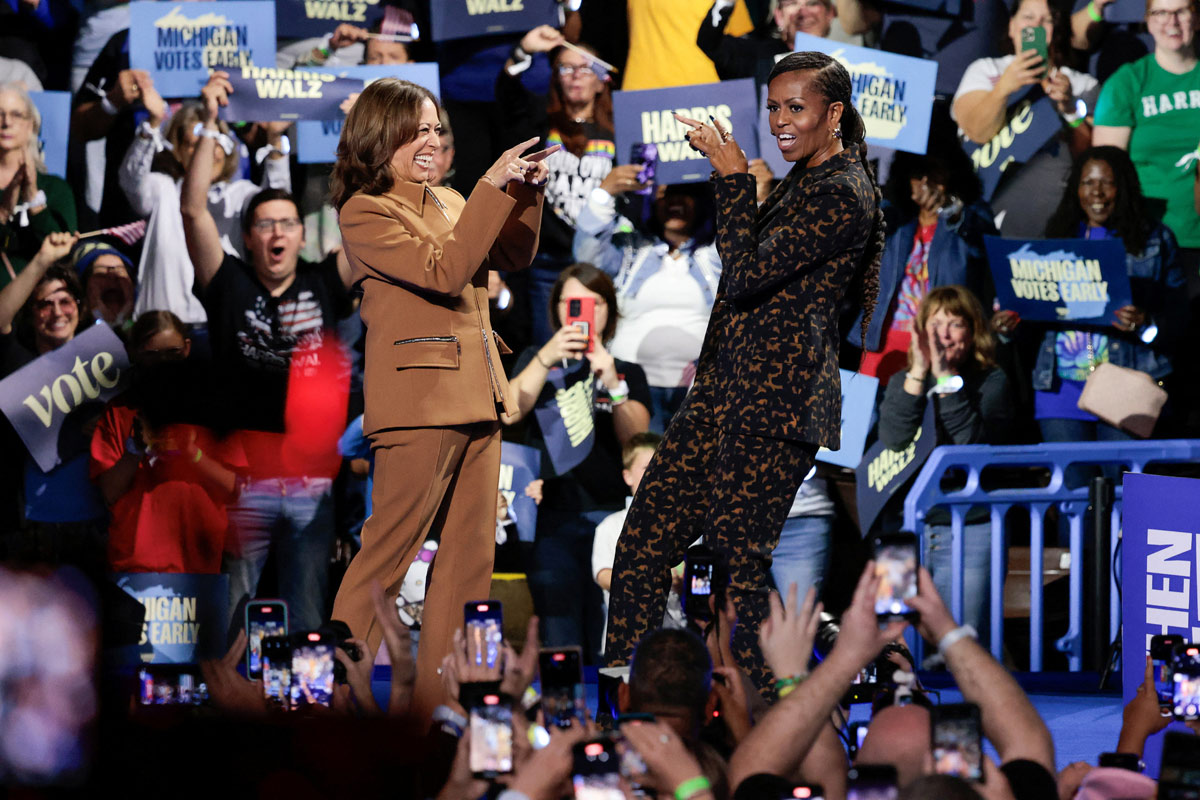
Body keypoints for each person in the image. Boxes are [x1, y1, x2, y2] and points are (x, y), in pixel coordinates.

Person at [604, 51, 885, 698]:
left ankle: (759, 715)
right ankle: (631, 695)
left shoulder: (846, 192)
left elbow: (748, 271)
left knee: (734, 568)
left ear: (833, 113)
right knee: (643, 541)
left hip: (777, 404)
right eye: (774, 107)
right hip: (721, 397)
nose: (780, 121)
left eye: (796, 108)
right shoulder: (801, 182)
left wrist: (731, 181)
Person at [328, 78, 551, 722]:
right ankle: (333, 700)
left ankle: (441, 709)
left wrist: (524, 192)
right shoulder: (365, 210)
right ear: (380, 135)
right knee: (386, 561)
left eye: (435, 128)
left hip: (481, 394)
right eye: (416, 130)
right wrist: (489, 187)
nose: (431, 141)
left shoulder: (453, 199)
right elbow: (443, 271)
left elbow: (514, 250)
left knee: (466, 568)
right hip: (421, 404)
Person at [181, 71, 353, 636]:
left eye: (286, 223)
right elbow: (192, 212)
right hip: (244, 481)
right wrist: (211, 123)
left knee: (306, 618)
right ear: (248, 235)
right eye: (264, 224)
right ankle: (232, 716)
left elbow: (367, 225)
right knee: (233, 617)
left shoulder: (326, 283)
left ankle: (305, 715)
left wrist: (355, 137)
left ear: (302, 235)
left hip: (310, 482)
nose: (276, 233)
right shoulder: (228, 284)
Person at [995, 146, 1186, 457]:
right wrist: (1008, 327)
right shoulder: (1056, 238)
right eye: (1087, 182)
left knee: (1125, 497)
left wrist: (1145, 324)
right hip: (1059, 392)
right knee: (1072, 497)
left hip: (1124, 389)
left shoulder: (1154, 240)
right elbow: (1030, 320)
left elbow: (1178, 319)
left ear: (1123, 187)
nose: (1096, 192)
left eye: (1107, 183)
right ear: (1076, 189)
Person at [502, 264, 652, 660]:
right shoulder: (538, 361)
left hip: (614, 520)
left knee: (615, 637)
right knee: (559, 638)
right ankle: (563, 717)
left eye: (593, 302)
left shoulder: (627, 372)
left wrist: (613, 383)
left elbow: (635, 439)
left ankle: (612, 719)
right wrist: (548, 356)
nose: (584, 312)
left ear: (610, 311)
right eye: (572, 303)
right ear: (557, 311)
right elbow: (511, 411)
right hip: (553, 519)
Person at [877, 285, 1013, 634]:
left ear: (972, 332)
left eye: (955, 324)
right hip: (903, 528)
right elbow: (894, 440)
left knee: (960, 638)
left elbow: (968, 443)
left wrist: (944, 377)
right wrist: (920, 372)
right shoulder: (903, 380)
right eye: (935, 324)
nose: (944, 335)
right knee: (897, 638)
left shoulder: (991, 381)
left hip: (969, 527)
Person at [119, 75, 290, 340]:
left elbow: (278, 208)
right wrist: (152, 124)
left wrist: (276, 139)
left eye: (217, 142)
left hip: (225, 330)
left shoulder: (239, 194)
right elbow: (131, 183)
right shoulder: (163, 189)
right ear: (178, 151)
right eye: (196, 143)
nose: (210, 151)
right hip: (164, 332)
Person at [90, 311, 240, 573]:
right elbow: (109, 493)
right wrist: (135, 448)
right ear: (134, 354)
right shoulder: (119, 411)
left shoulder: (216, 407)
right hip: (137, 568)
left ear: (187, 349)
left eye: (171, 352)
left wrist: (192, 453)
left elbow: (234, 488)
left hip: (202, 568)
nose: (163, 364)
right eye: (152, 355)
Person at [499, 25, 616, 346]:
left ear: (602, 78)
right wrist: (524, 49)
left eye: (585, 68)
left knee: (602, 345)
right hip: (549, 263)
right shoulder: (540, 122)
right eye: (566, 68)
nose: (576, 75)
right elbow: (507, 99)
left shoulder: (619, 128)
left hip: (603, 257)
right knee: (551, 348)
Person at [574, 179, 721, 431]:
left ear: (701, 201)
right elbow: (586, 255)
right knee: (639, 466)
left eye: (685, 194)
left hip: (699, 390)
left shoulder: (716, 253)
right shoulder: (631, 250)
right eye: (666, 193)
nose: (675, 201)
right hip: (632, 389)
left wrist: (754, 194)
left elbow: (758, 246)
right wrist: (604, 193)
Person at [951, 0, 1098, 237]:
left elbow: (1093, 160)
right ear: (1011, 26)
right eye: (1029, 18)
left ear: (1056, 30)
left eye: (1047, 20)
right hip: (986, 227)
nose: (1037, 26)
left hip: (1052, 230)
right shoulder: (985, 70)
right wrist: (1005, 88)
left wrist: (1069, 108)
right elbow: (975, 130)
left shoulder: (1082, 85)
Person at [854, 149, 996, 385]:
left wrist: (951, 209)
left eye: (936, 174)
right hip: (882, 344)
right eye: (918, 175)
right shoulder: (894, 217)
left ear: (952, 176)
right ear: (905, 178)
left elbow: (984, 243)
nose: (927, 183)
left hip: (941, 346)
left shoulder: (969, 215)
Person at [1092, 0, 1200, 271]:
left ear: (1196, 19)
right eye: (1161, 12)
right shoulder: (1127, 83)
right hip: (1152, 244)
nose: (1171, 21)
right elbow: (1106, 173)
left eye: (1182, 11)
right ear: (1148, 21)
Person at [0, 81, 75, 288]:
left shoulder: (55, 188)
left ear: (31, 124)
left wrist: (33, 197)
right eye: (0, 113)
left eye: (16, 115)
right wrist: (4, 211)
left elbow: (64, 258)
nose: (6, 122)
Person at [697, 0, 864, 84]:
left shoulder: (858, 66)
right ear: (778, 16)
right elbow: (710, 43)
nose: (803, 12)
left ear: (830, 14)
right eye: (792, 3)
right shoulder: (756, 57)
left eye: (813, 3)